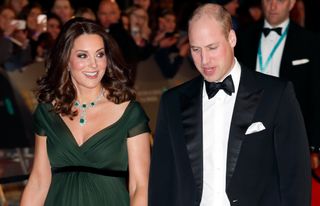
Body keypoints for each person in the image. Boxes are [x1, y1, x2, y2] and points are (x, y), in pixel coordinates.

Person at [149, 3, 311, 206]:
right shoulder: (172, 102)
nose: (204, 60)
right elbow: (162, 180)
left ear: (231, 39)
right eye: (195, 49)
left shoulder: (276, 95)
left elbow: (295, 177)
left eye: (212, 47)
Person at [20, 17, 151, 206]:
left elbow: (140, 186)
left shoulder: (129, 113)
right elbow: (39, 181)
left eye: (99, 55)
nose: (94, 65)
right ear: (66, 60)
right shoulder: (48, 111)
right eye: (83, 56)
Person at [235, 0, 320, 169]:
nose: (273, 6)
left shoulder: (311, 42)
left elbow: (316, 96)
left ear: (291, 3)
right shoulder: (242, 37)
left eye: (279, 0)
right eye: (268, 0)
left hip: (292, 131)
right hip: (247, 129)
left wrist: (314, 146)